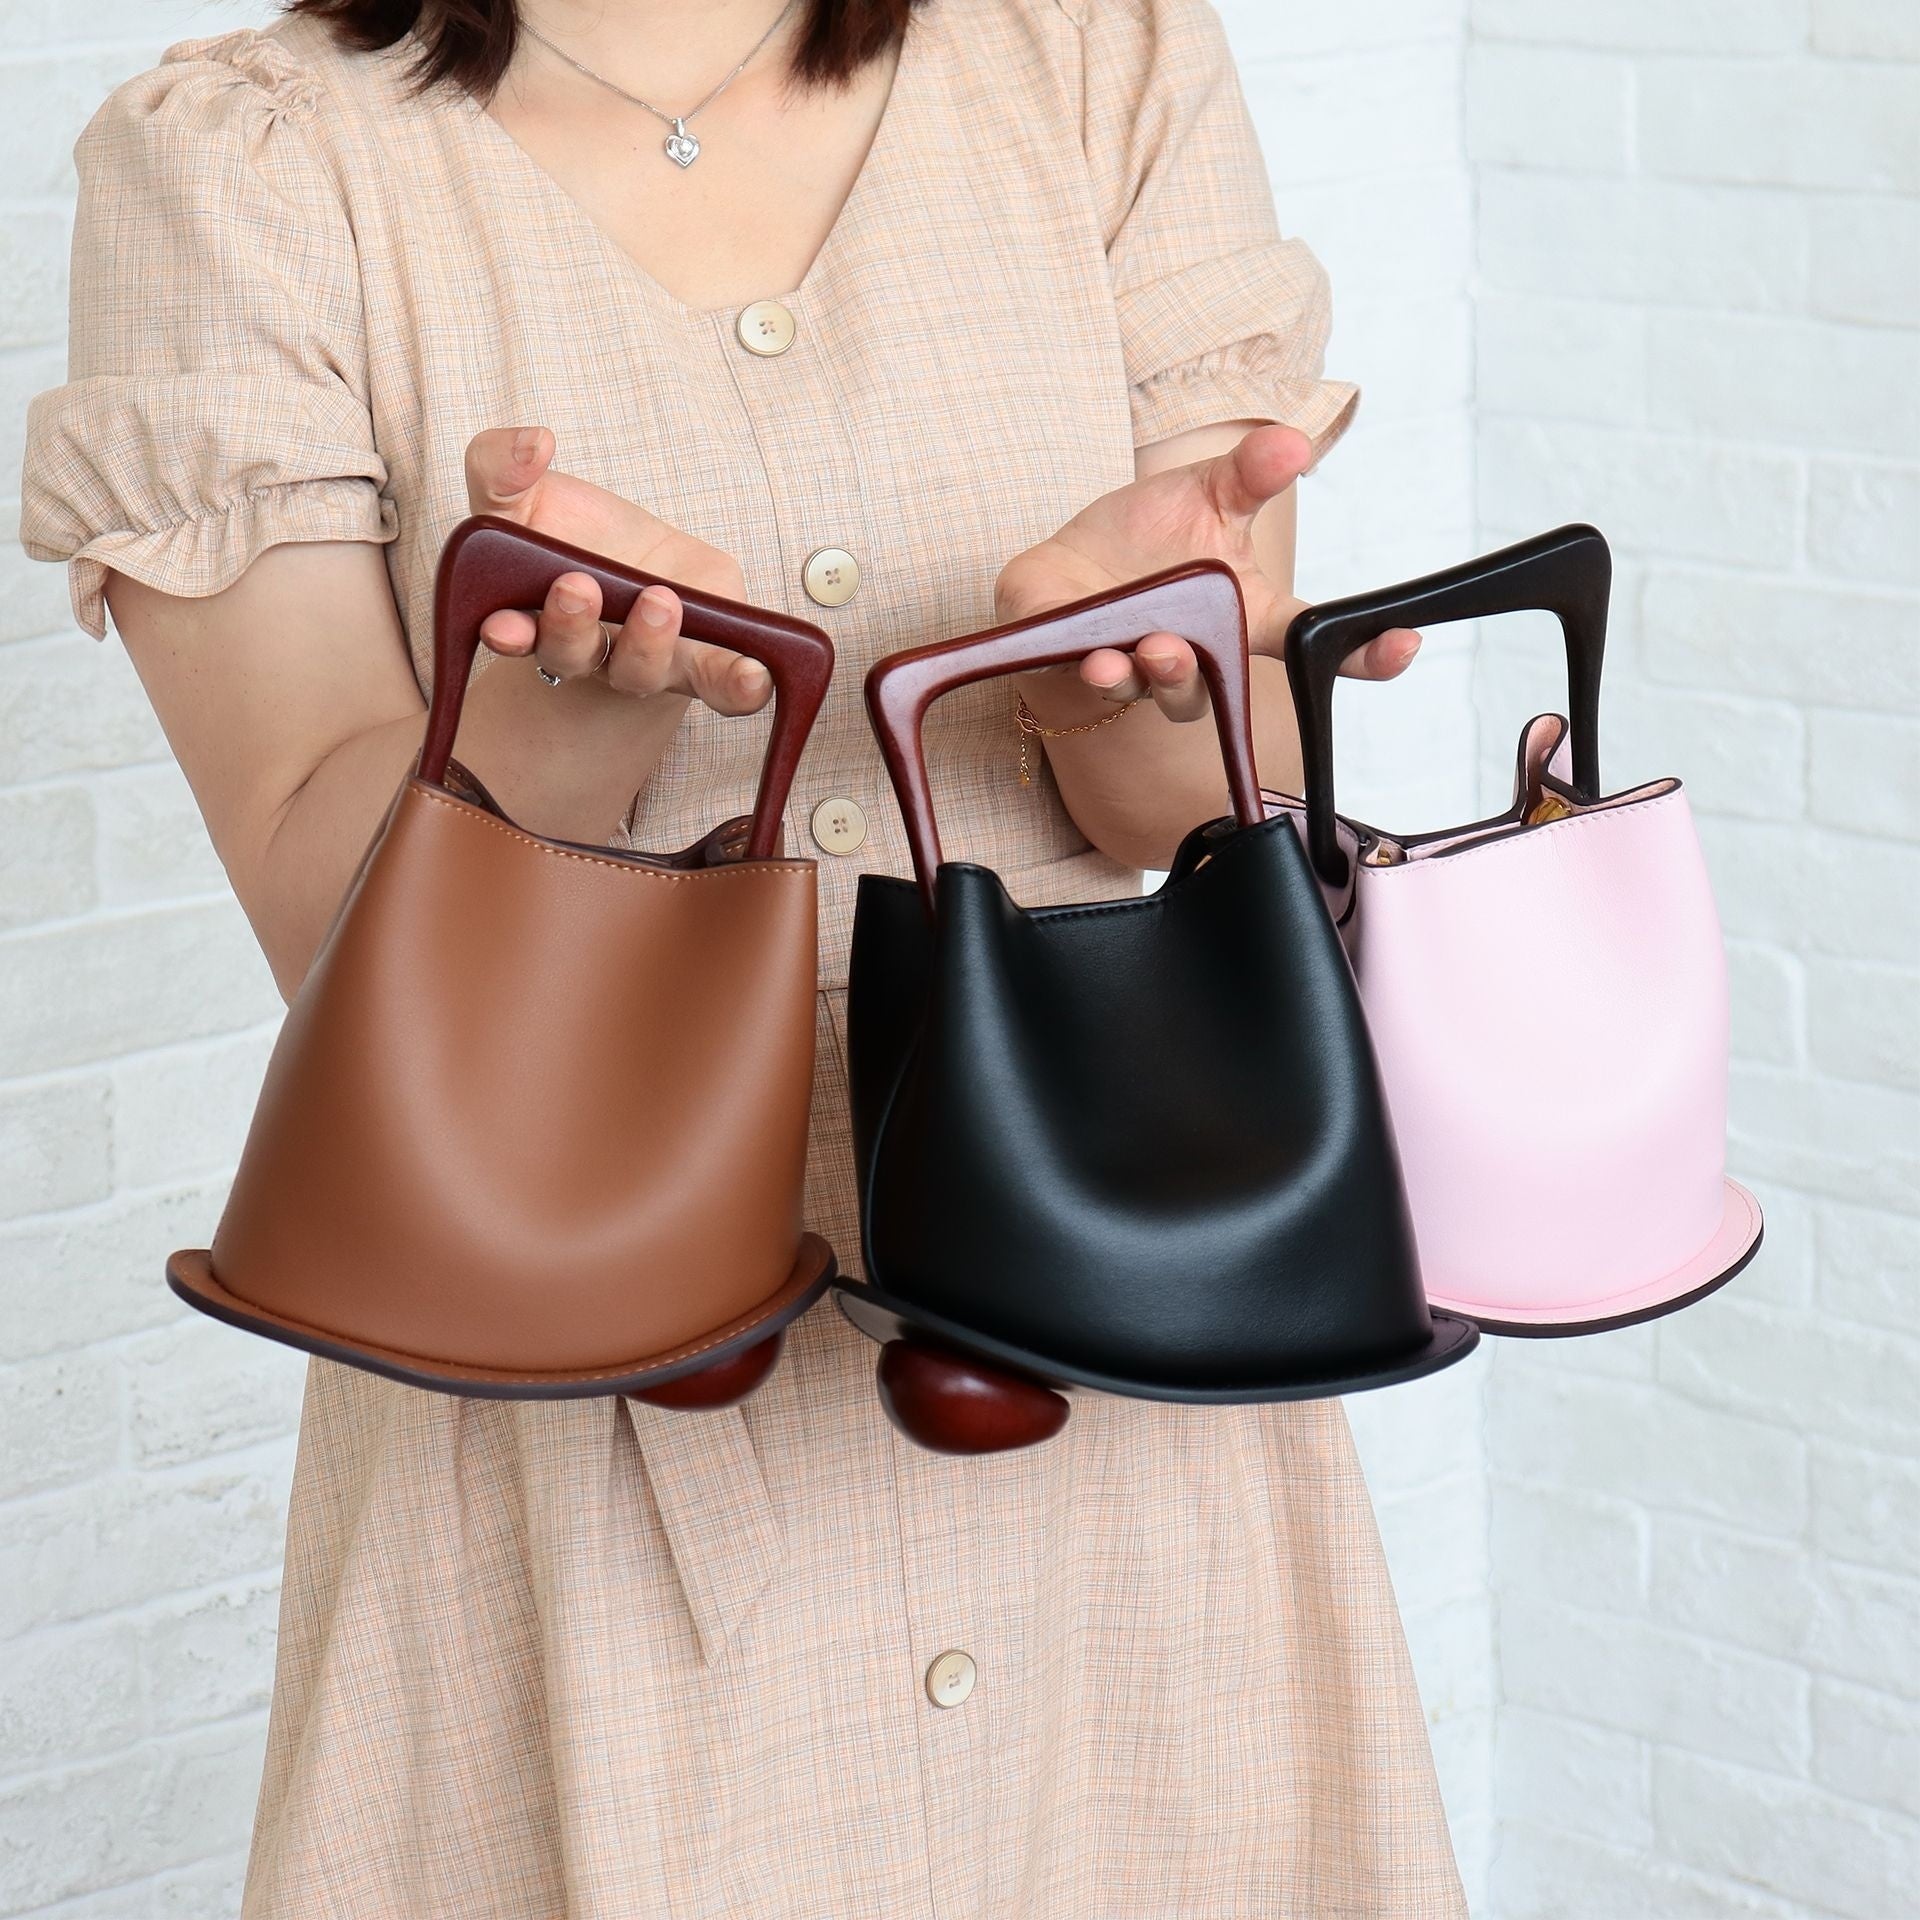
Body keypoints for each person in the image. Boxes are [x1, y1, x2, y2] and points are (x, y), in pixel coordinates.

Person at [19, 1, 1459, 1912]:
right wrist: (554, 725)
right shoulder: (249, 165)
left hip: (1138, 1390)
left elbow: (1204, 811)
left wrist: (1140, 683)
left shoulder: (1089, 55)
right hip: (564, 1451)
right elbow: (326, 932)